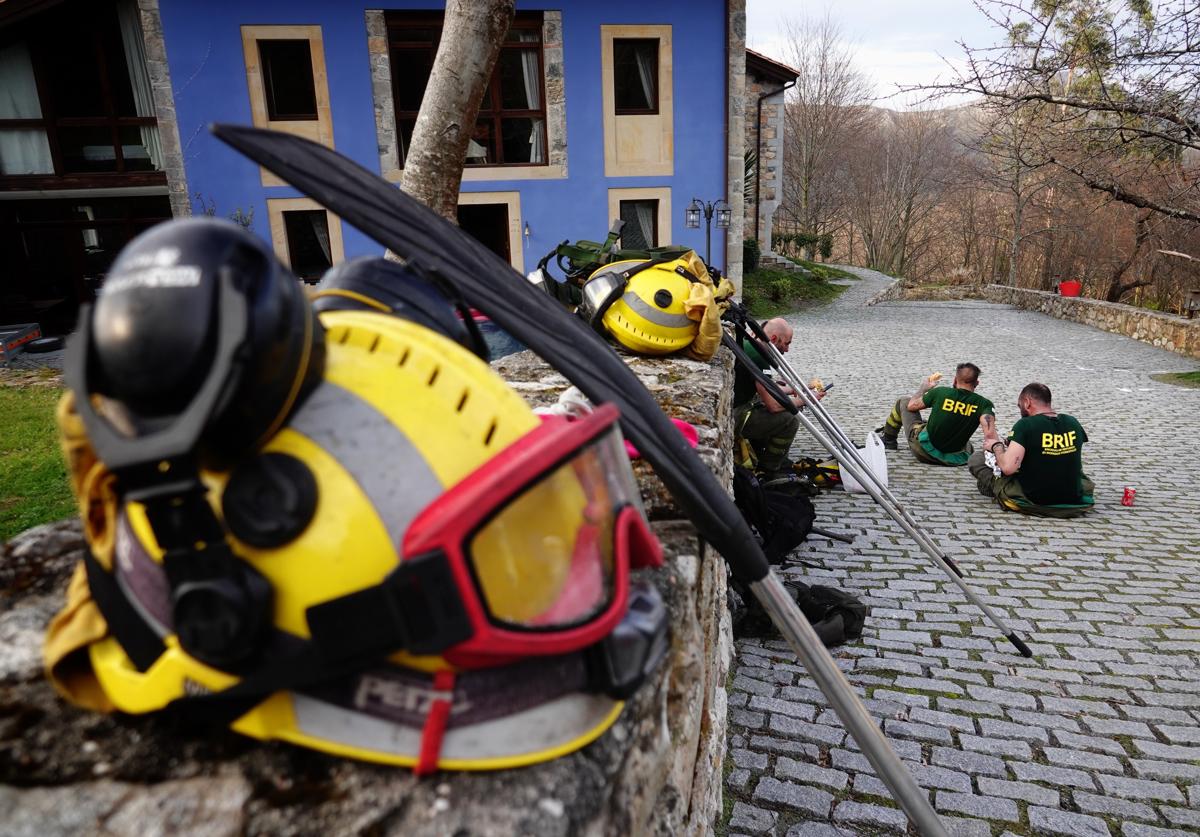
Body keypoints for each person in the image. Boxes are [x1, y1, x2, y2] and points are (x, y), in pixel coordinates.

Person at [970, 382, 1095, 517]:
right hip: (1072, 497)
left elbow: (1008, 468)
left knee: (977, 459)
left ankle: (995, 488)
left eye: (1019, 406)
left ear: (1027, 402)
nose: (1020, 411)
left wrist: (997, 446)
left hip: (1037, 499)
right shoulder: (1072, 422)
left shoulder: (1025, 425)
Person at [877, 363, 994, 466]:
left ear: (955, 380)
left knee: (904, 401)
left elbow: (911, 406)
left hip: (924, 452)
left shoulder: (941, 392)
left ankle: (889, 439)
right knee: (965, 440)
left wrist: (923, 389)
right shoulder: (985, 404)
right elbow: (990, 435)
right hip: (957, 459)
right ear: (977, 383)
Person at [733, 318, 806, 475]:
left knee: (781, 403)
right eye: (786, 343)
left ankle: (761, 452)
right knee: (790, 420)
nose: (787, 350)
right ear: (773, 339)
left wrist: (794, 390)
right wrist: (805, 400)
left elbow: (765, 387)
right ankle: (769, 469)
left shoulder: (749, 343)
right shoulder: (759, 357)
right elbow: (773, 405)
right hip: (737, 415)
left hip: (740, 405)